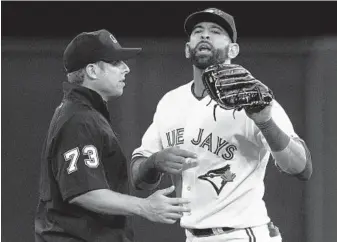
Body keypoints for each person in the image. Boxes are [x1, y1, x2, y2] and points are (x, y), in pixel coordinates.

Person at [130, 8, 313, 242]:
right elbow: (139, 178)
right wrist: (154, 162)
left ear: (233, 49)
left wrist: (265, 122)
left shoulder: (251, 98)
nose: (205, 36)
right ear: (187, 49)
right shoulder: (170, 102)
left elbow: (302, 167)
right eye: (198, 31)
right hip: (192, 236)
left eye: (215, 31)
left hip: (243, 234)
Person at [34, 29, 191, 242]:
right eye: (116, 63)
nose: (126, 69)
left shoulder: (82, 113)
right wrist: (145, 207)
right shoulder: (79, 119)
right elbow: (83, 192)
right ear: (92, 71)